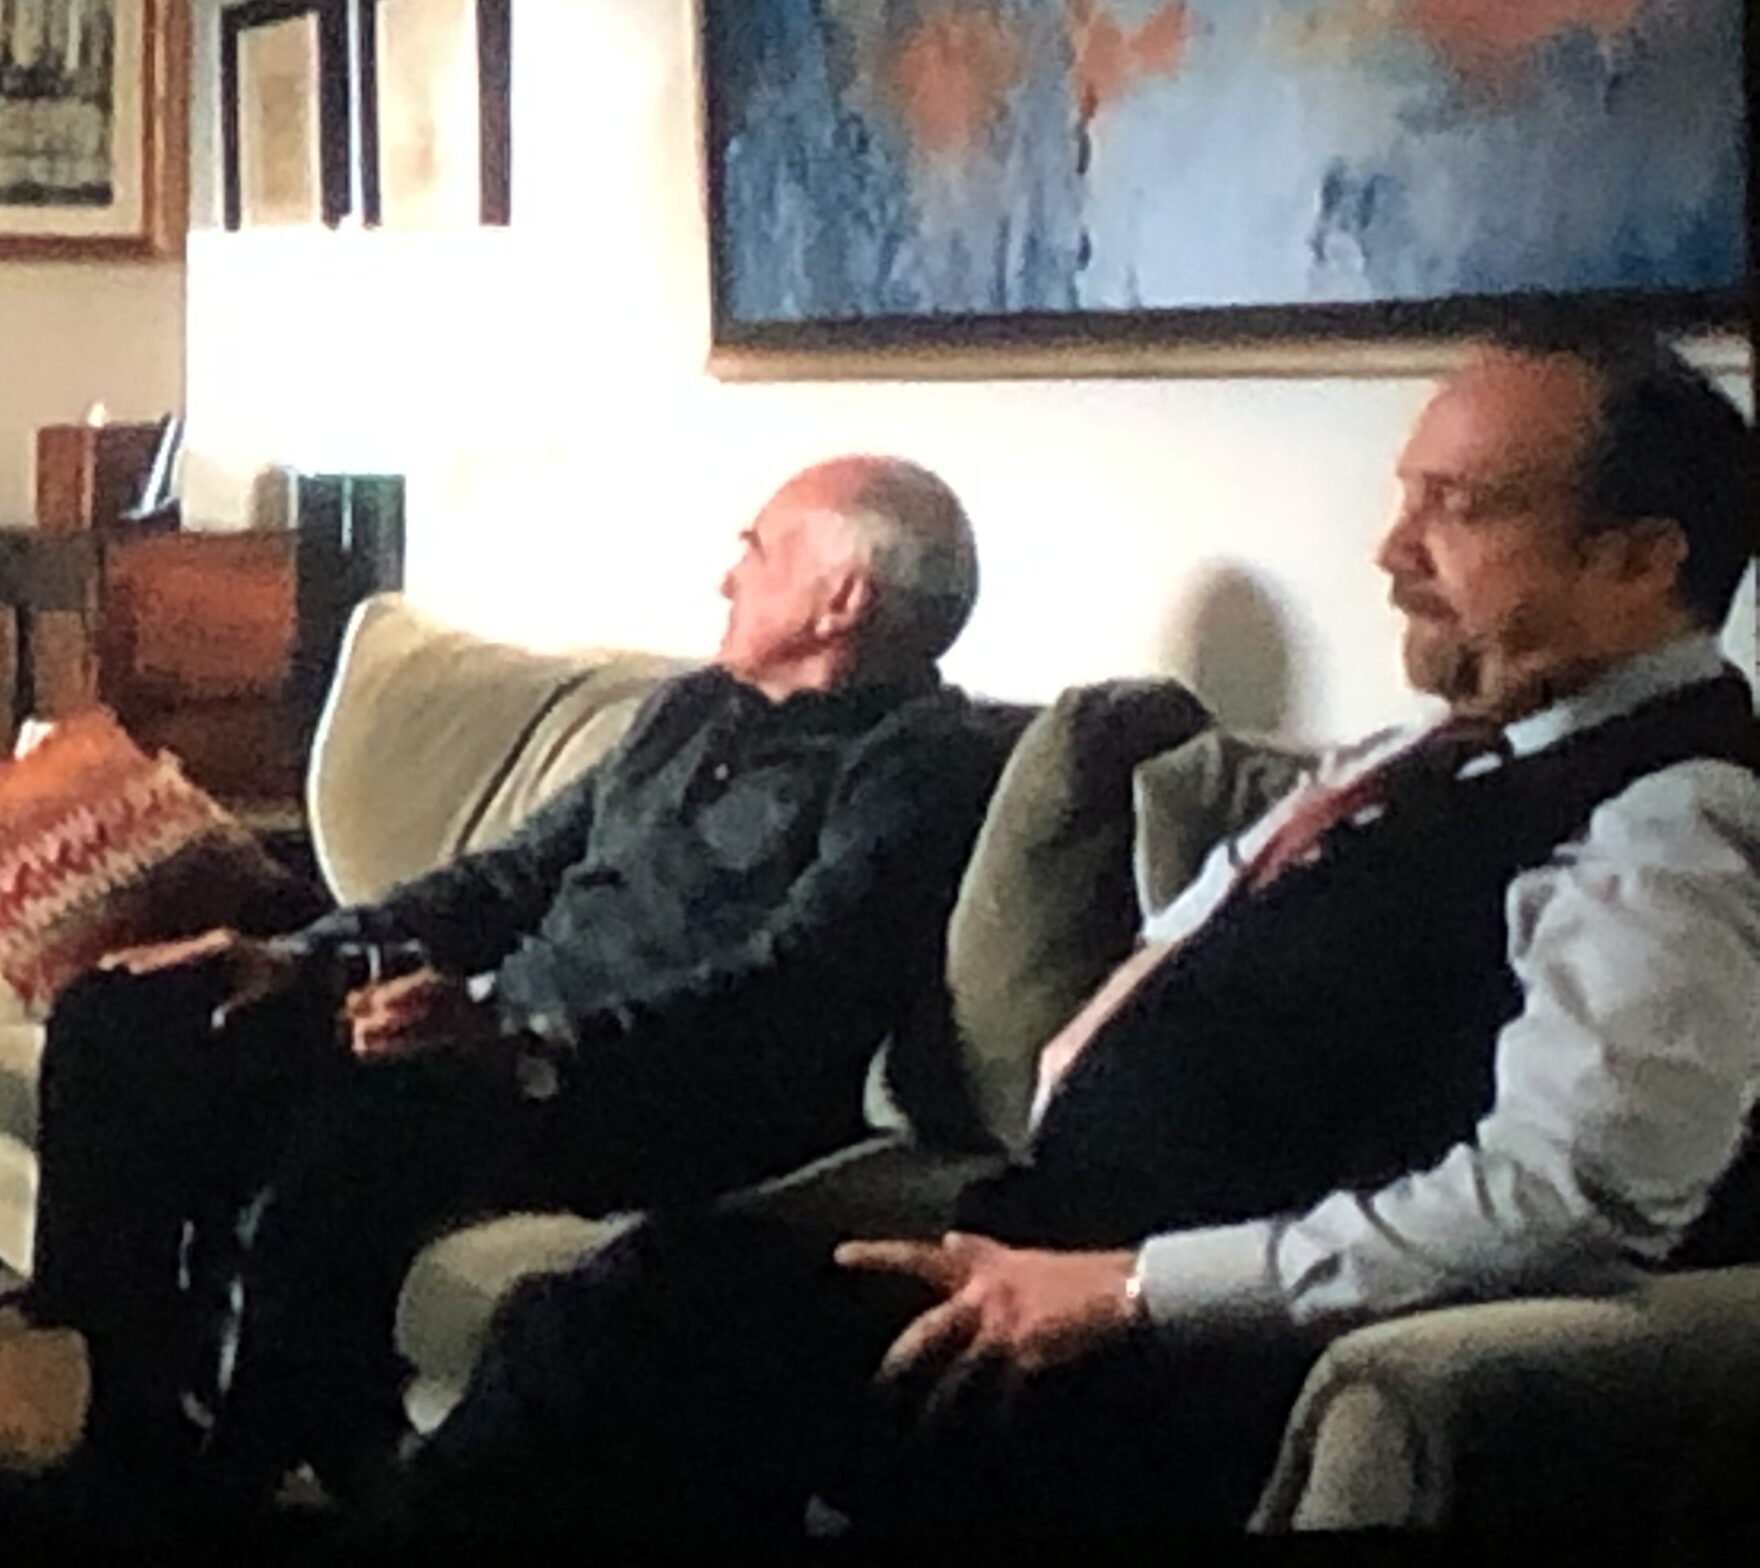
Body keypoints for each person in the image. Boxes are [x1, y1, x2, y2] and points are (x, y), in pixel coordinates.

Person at [386, 321, 1760, 1546]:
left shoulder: (1675, 821)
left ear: (1641, 558)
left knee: (631, 1332)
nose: (1392, 552)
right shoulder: (1445, 754)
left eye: (1453, 509)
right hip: (1045, 1253)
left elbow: (1569, 1202)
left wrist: (1134, 1287)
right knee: (633, 1324)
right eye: (1406, 498)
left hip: (1174, 1357)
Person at [32, 455, 1020, 1519]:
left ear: (843, 599)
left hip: (648, 1088)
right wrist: (304, 958)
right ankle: (127, 1434)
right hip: (491, 1030)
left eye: (757, 551)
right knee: (127, 1018)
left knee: (362, 1122)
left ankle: (239, 1477)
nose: (726, 578)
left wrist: (529, 1046)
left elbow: (793, 989)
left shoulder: (920, 765)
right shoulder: (691, 709)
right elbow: (506, 879)